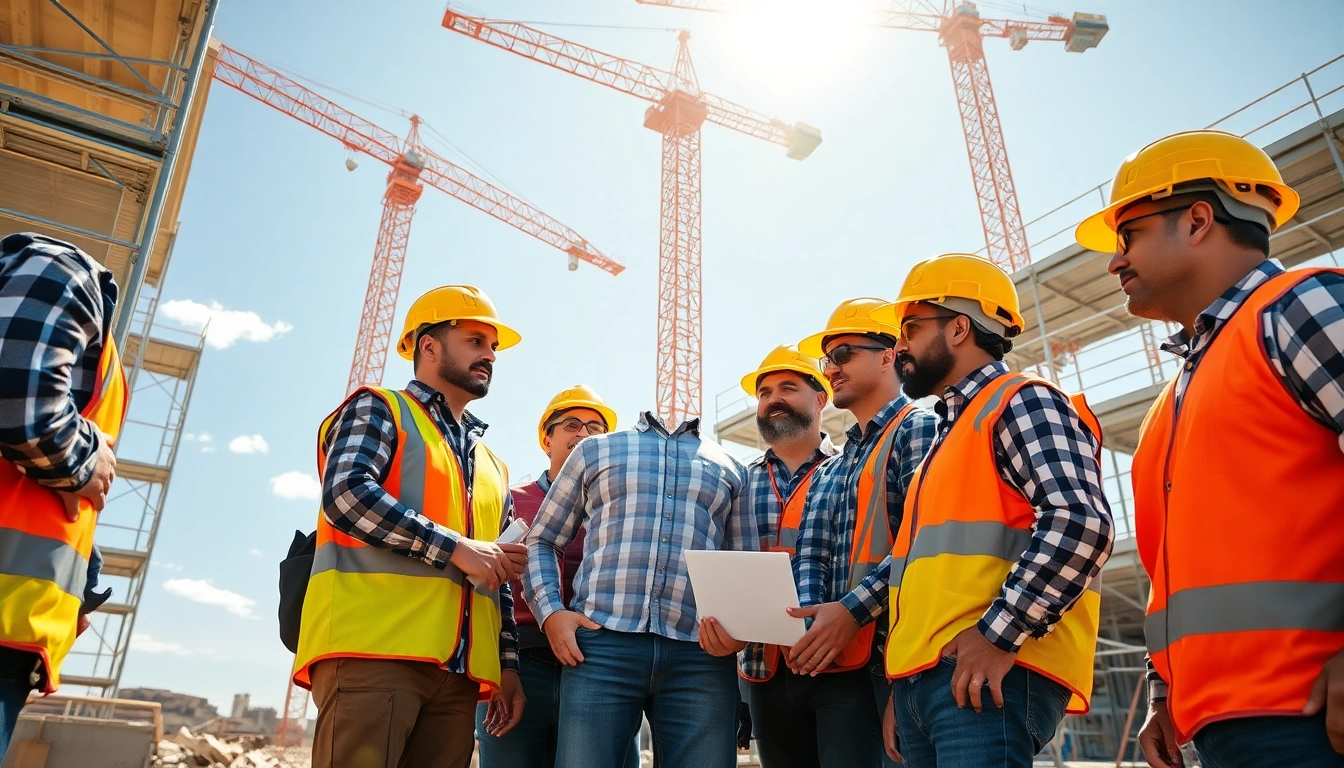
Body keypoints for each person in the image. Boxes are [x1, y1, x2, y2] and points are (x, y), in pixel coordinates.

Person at [1076, 130, 1344, 766]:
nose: (1114, 262)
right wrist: (1162, 694)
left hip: (1314, 715)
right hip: (1224, 724)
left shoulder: (1301, 306)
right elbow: (1182, 569)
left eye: (1128, 235)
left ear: (1197, 220)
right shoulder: (1169, 407)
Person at [874, 253, 1113, 766]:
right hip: (935, 680)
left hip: (989, 671)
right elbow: (918, 581)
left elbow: (1080, 523)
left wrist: (997, 635)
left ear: (959, 328)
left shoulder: (1022, 401)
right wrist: (907, 685)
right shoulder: (948, 436)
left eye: (911, 327)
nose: (899, 346)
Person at [293, 285, 529, 768]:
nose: (490, 355)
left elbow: (494, 576)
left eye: (494, 347)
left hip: (459, 674)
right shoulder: (380, 408)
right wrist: (456, 548)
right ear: (429, 346)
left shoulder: (493, 465)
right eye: (476, 341)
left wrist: (507, 666)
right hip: (373, 655)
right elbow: (347, 494)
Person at [524, 399, 758, 768]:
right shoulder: (594, 451)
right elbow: (542, 539)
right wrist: (550, 612)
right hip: (601, 648)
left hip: (700, 653)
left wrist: (741, 630)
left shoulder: (733, 468)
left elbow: (745, 563)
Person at [784, 299, 938, 768]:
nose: (831, 368)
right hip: (835, 661)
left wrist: (850, 612)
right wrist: (813, 631)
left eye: (844, 354)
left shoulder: (920, 429)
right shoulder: (831, 469)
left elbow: (926, 543)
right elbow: (810, 554)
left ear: (889, 355)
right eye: (827, 359)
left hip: (895, 658)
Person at [702, 345, 863, 767]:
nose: (773, 399)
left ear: (821, 399)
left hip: (844, 665)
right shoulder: (737, 481)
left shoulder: (853, 469)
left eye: (788, 388)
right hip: (763, 670)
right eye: (765, 392)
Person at [0, 233, 126, 759]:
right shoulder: (66, 267)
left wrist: (82, 589)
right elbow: (17, 398)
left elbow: (65, 512)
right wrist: (87, 455)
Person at [475, 385, 637, 768]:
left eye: (596, 429)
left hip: (599, 666)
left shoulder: (620, 509)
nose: (583, 435)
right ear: (547, 440)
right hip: (520, 663)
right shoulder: (508, 498)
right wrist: (498, 666)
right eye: (572, 425)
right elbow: (484, 586)